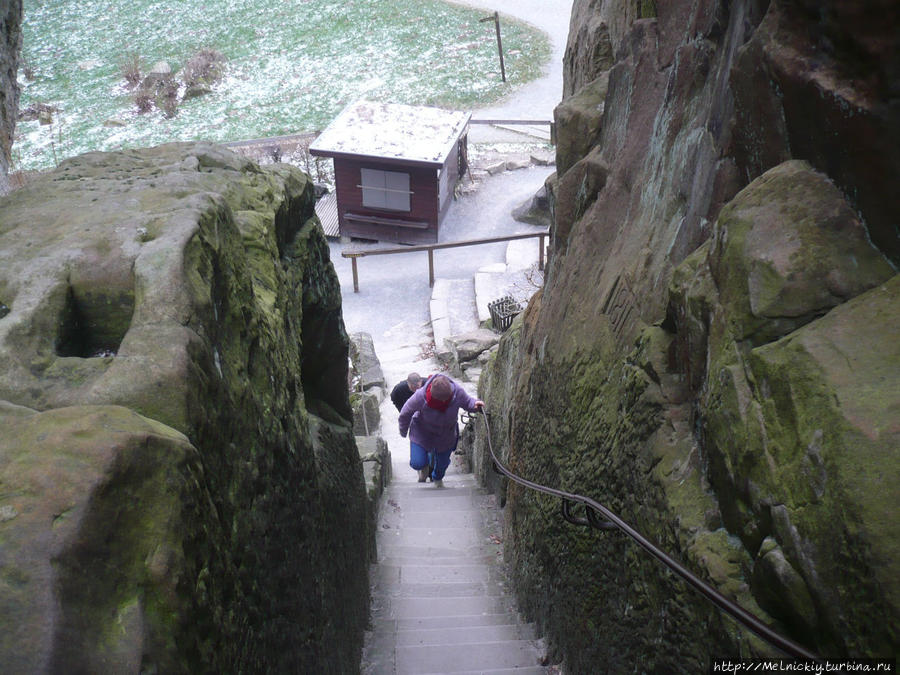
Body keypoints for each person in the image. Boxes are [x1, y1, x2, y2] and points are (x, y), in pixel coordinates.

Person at [398, 373, 484, 487]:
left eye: (446, 400)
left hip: (446, 434)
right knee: (417, 463)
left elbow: (467, 401)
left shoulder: (457, 392)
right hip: (422, 432)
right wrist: (403, 431)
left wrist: (475, 404)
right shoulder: (420, 396)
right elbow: (405, 413)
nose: (443, 402)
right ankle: (423, 467)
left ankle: (437, 478)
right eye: (440, 400)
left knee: (442, 463)